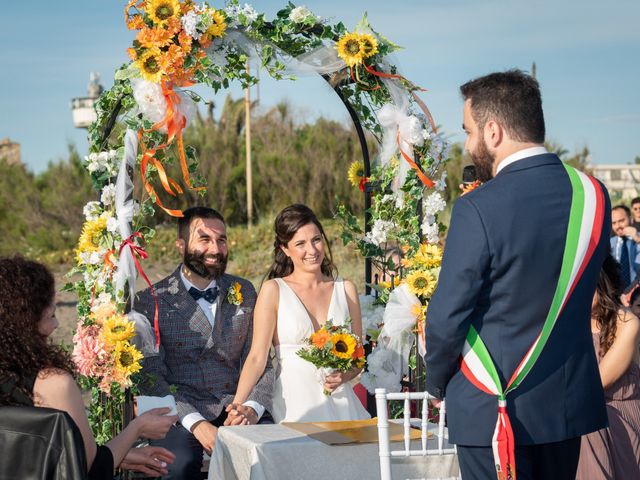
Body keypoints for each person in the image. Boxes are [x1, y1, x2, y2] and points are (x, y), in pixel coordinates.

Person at [424, 70, 611, 480]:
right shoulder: (594, 196)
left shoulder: (478, 207)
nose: (469, 143)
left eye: (468, 131)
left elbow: (447, 316)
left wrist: (435, 382)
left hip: (492, 405)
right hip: (565, 404)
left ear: (493, 131)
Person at [0, 256, 177, 479]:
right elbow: (88, 469)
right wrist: (137, 428)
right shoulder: (52, 384)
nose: (56, 324)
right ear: (25, 320)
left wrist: (122, 455)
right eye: (52, 314)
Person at [135, 206, 274, 479]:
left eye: (221, 240)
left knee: (272, 456)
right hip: (180, 412)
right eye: (205, 239)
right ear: (181, 245)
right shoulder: (151, 299)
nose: (215, 248)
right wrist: (196, 424)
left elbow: (262, 361)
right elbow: (151, 376)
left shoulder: (244, 290)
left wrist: (252, 408)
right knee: (177, 467)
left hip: (238, 405)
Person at [228, 204, 370, 423]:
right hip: (292, 403)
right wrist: (238, 405)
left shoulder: (346, 289)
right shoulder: (273, 290)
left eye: (316, 240)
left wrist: (344, 376)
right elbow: (257, 357)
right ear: (285, 249)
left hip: (340, 402)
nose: (312, 251)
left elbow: (357, 359)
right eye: (300, 244)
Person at [576, 254, 640, 478]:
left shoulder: (626, 323)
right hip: (578, 417)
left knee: (587, 423)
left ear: (601, 281)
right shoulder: (568, 324)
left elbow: (597, 383)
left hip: (617, 420)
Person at [610, 204, 640, 290]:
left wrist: (637, 239)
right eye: (614, 223)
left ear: (630, 219)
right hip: (617, 294)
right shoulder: (610, 243)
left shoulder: (638, 239)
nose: (618, 226)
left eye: (621, 221)